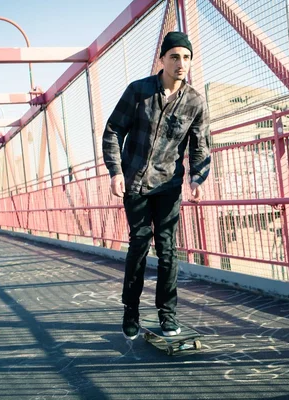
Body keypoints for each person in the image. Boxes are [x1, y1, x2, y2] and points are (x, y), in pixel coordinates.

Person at [102, 32, 211, 340]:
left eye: (186, 57)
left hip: (168, 186)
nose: (181, 63)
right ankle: (131, 311)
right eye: (175, 56)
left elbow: (200, 146)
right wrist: (115, 171)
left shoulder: (195, 102)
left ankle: (167, 314)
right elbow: (113, 130)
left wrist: (197, 179)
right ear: (162, 59)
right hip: (134, 183)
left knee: (167, 251)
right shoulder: (138, 92)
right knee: (139, 245)